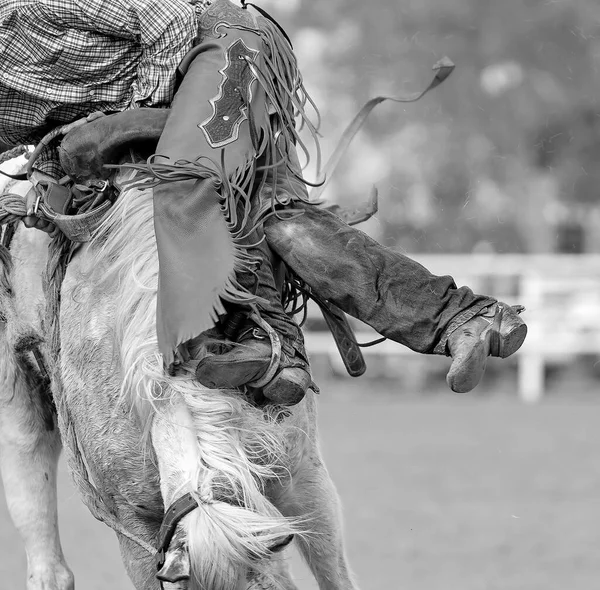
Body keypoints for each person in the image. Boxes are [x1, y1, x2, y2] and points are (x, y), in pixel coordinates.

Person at [0, 0, 526, 404]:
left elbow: (167, 22)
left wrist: (139, 118)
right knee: (276, 221)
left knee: (183, 179)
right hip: (186, 89)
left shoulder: (21, 15)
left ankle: (242, 337)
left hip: (227, 41)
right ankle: (457, 319)